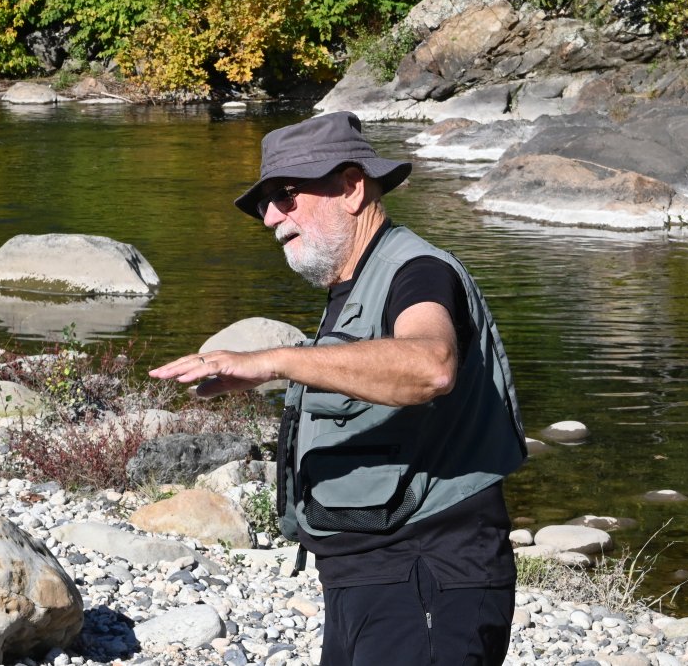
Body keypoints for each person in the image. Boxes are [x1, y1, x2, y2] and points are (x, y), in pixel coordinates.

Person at [150, 111, 527, 666]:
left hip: (427, 571)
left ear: (351, 188)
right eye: (263, 203)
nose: (271, 216)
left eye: (287, 194)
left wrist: (276, 361)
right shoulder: (353, 282)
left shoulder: (418, 272)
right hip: (369, 573)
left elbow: (430, 366)